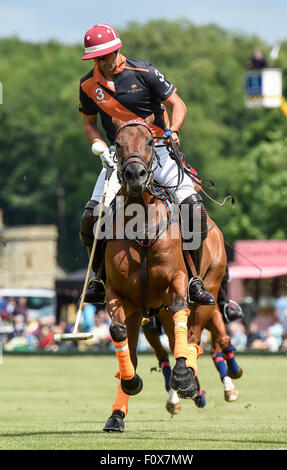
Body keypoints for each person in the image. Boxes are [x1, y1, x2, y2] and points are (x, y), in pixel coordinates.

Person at [78, 23, 215, 306]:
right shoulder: (87, 85)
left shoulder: (145, 72)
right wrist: (99, 148)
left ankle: (193, 278)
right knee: (92, 216)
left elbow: (178, 104)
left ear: (117, 50)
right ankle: (99, 279)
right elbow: (89, 124)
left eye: (105, 55)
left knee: (193, 208)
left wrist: (173, 130)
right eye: (96, 57)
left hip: (158, 150)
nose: (101, 61)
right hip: (121, 155)